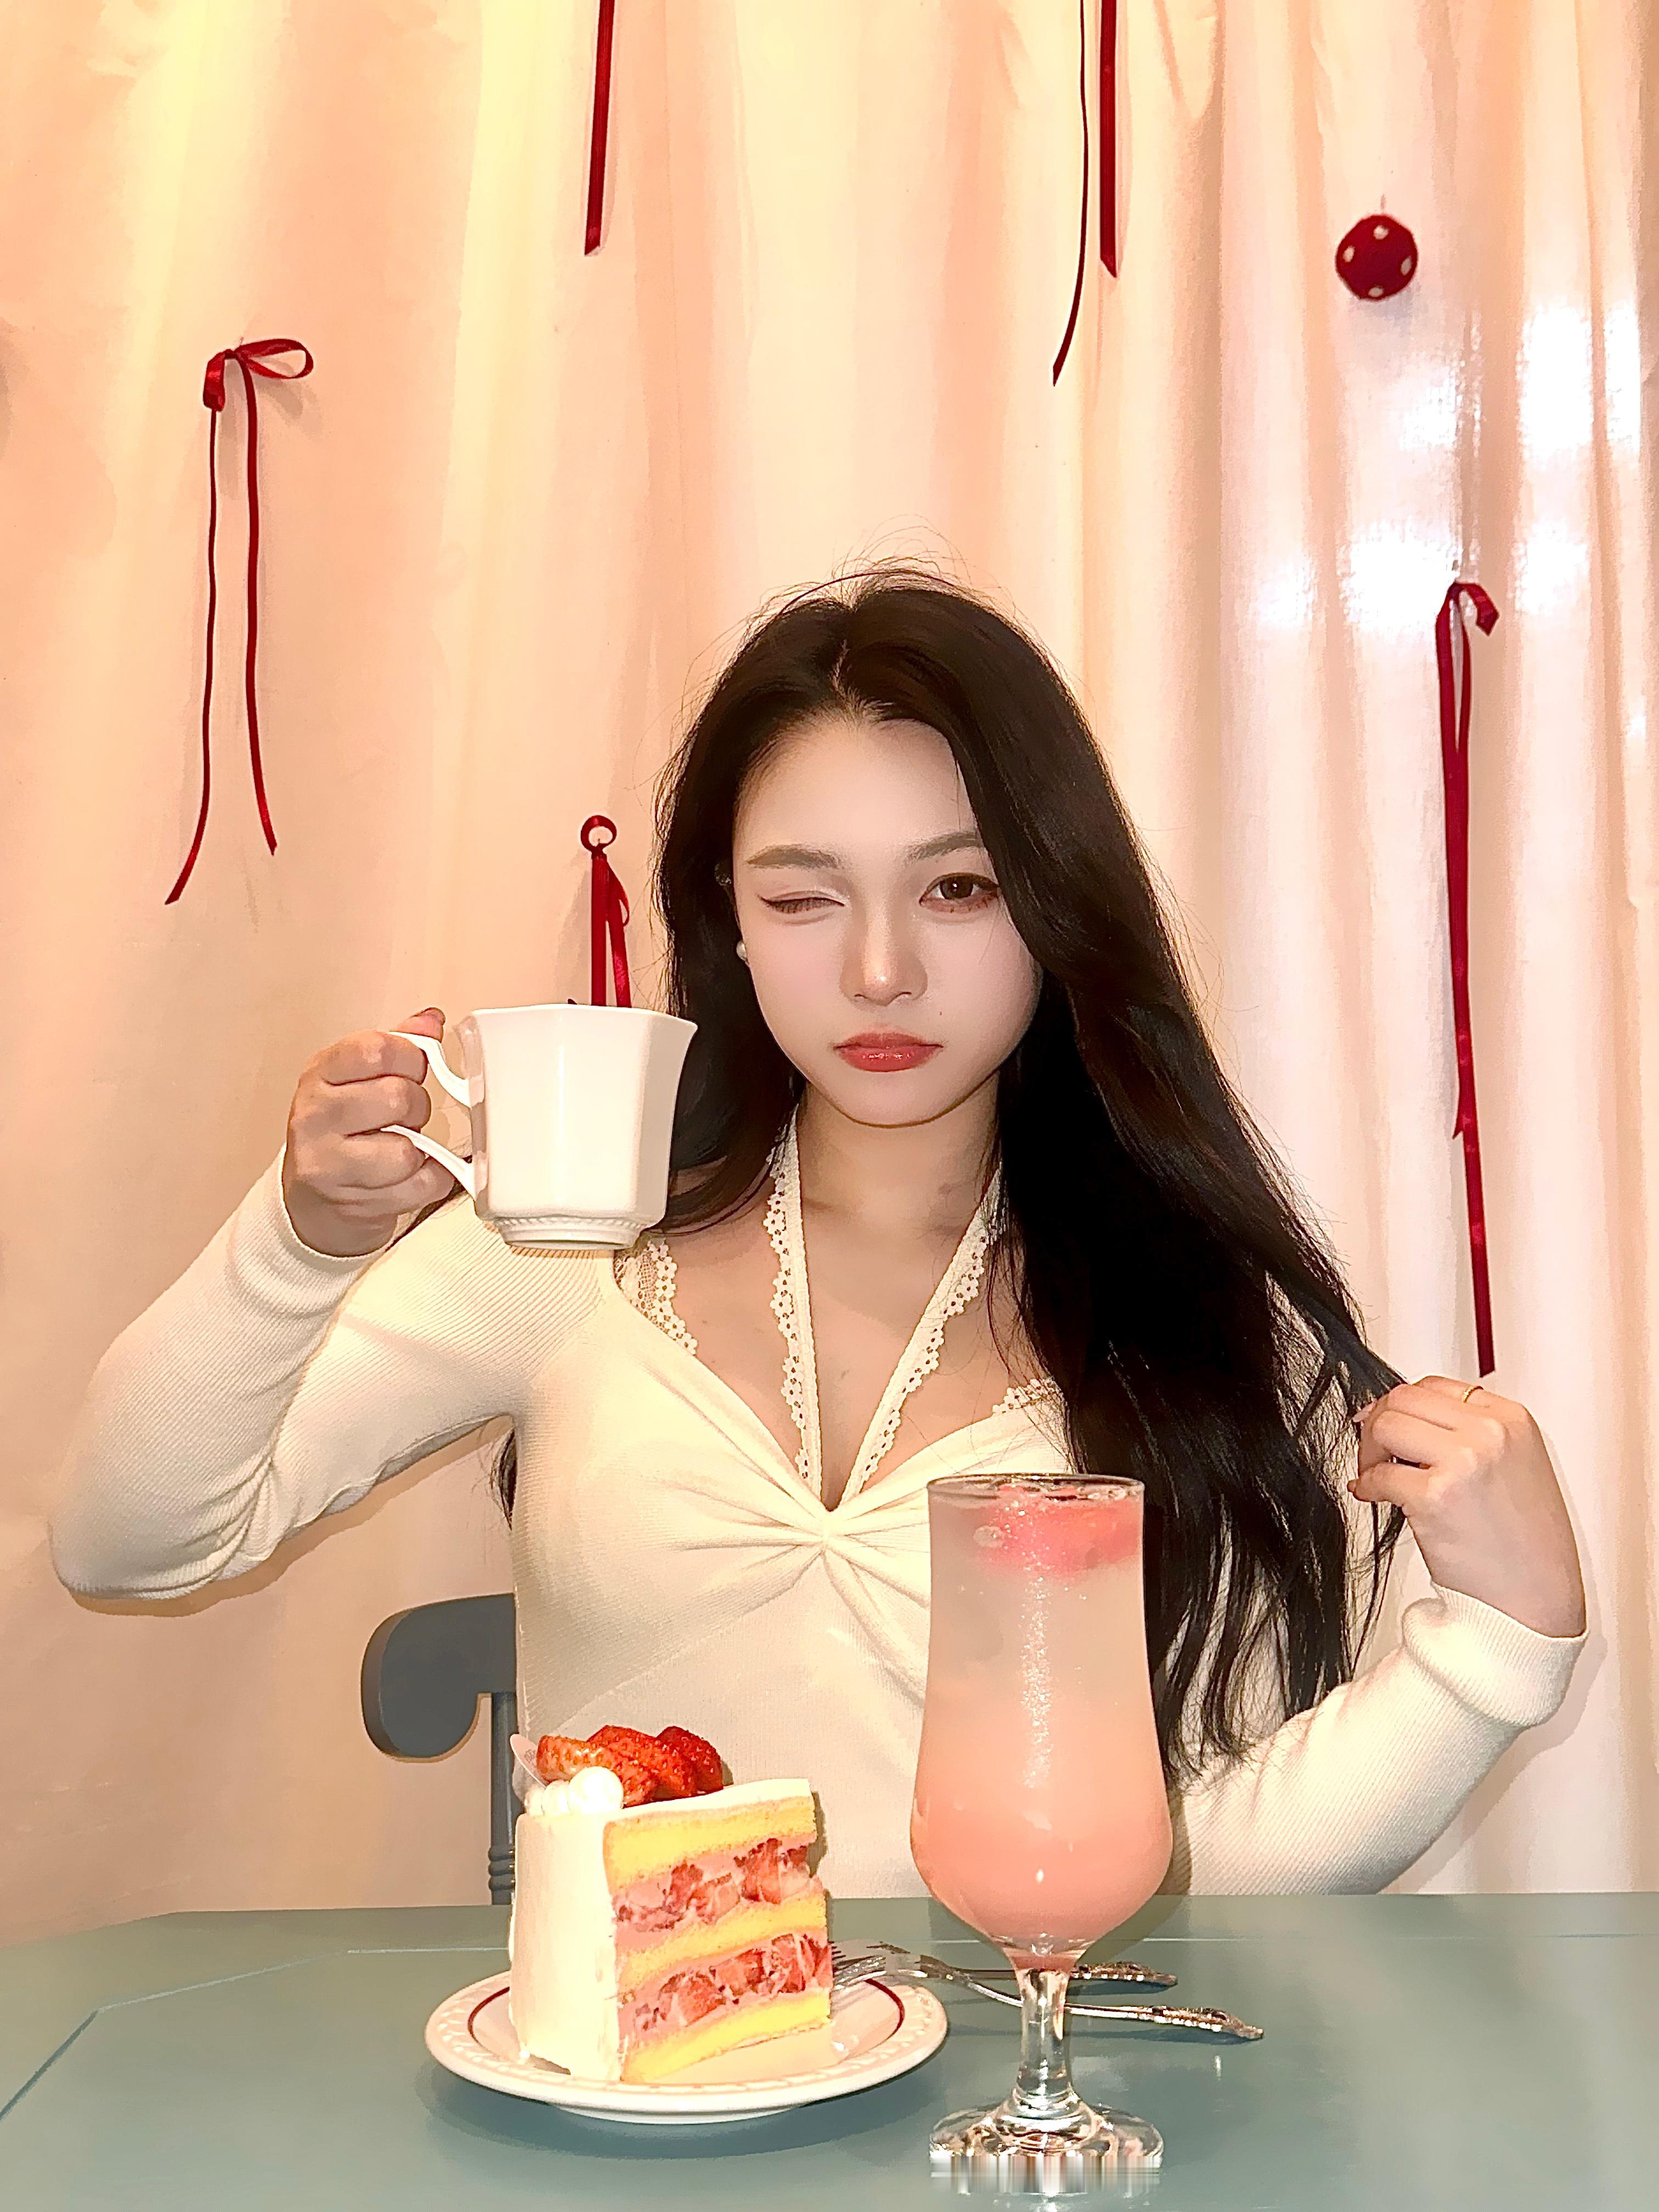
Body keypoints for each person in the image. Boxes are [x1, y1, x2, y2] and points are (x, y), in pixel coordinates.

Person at [51, 565, 1586, 1898]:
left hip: (1010, 2092)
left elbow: (1200, 1870)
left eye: (959, 888)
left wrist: (1500, 1645)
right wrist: (302, 1240)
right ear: (725, 916)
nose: (878, 972)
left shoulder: (1186, 1313)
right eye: (804, 900)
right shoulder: (568, 1251)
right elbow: (133, 1541)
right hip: (639, 2092)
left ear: (1056, 907)